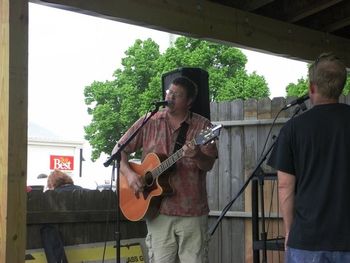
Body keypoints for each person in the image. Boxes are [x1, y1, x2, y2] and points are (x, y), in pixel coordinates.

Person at [113, 76, 218, 263]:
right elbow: (118, 150)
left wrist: (197, 155)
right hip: (158, 212)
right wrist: (129, 175)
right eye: (169, 92)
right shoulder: (150, 121)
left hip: (192, 211)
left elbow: (208, 164)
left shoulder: (203, 127)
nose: (170, 97)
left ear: (189, 101)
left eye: (177, 95)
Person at [267, 53, 350, 262]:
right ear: (341, 86)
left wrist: (289, 231)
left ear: (312, 87)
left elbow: (285, 186)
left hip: (307, 242)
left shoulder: (293, 128)